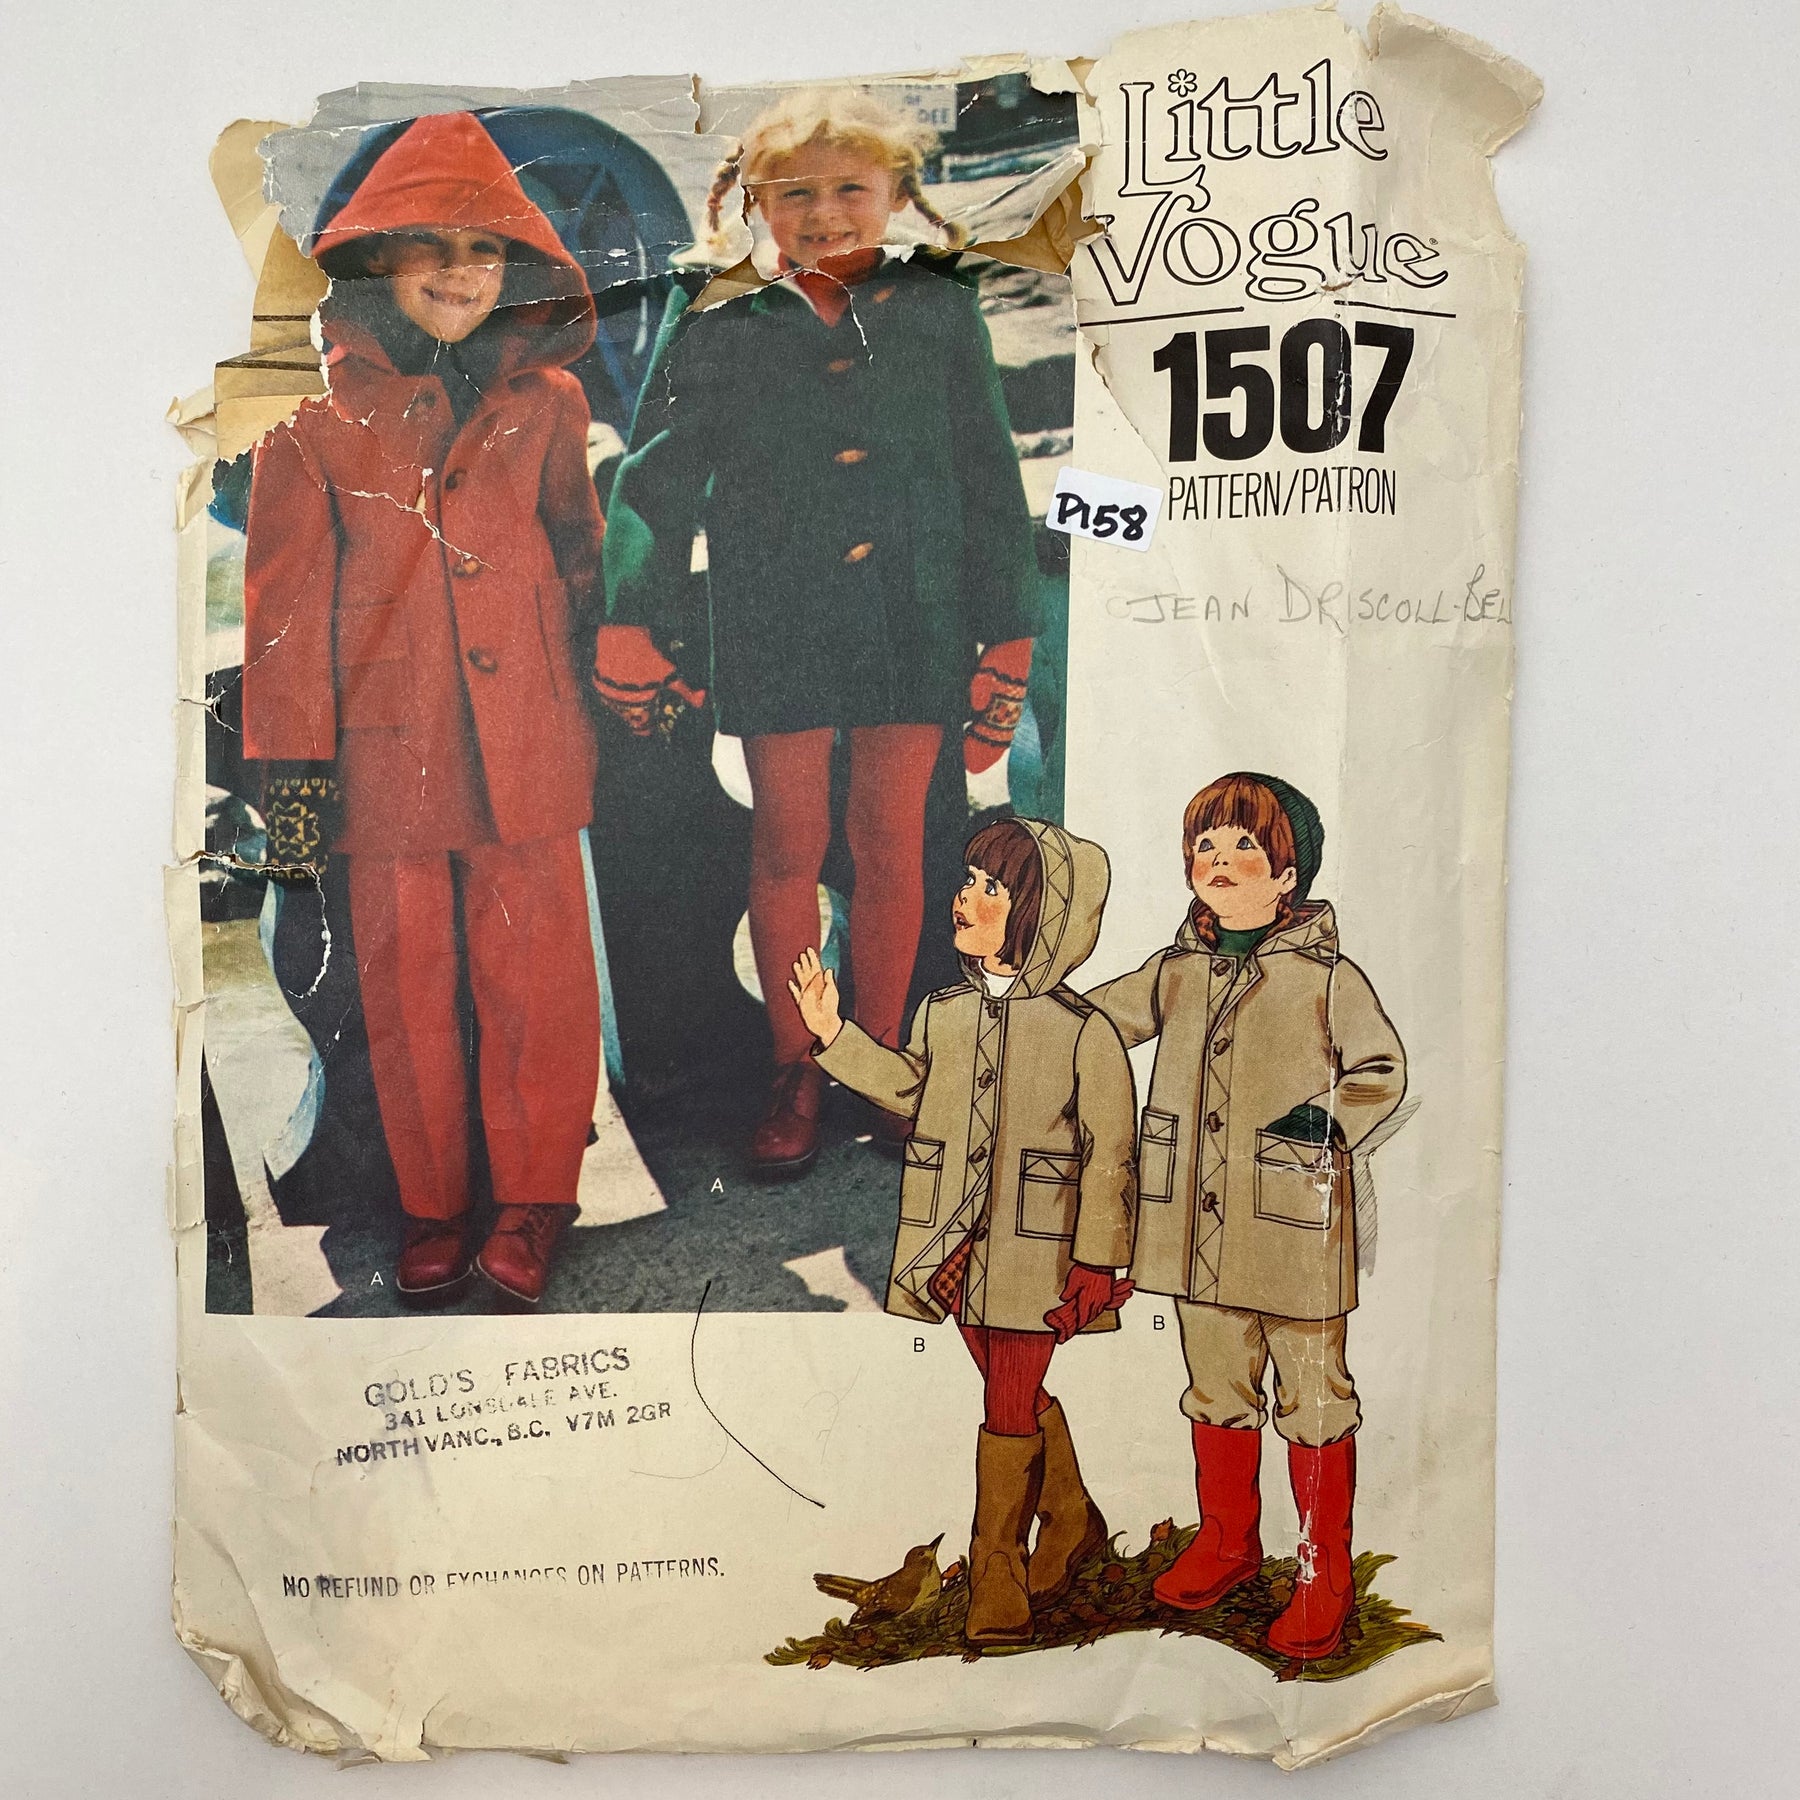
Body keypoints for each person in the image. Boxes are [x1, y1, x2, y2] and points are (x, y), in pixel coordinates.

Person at [600, 86, 1040, 1176]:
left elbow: (990, 478)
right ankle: (796, 1066)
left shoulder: (940, 305)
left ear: (897, 193)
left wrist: (1008, 634)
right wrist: (631, 616)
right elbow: (654, 478)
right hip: (773, 618)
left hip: (917, 620)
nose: (826, 213)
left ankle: (877, 1059)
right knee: (786, 848)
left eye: (851, 188)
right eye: (794, 193)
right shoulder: (716, 312)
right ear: (753, 201)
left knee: (895, 845)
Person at [241, 111, 608, 1310]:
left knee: (537, 979)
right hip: (385, 758)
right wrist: (293, 790)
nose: (461, 273)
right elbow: (282, 614)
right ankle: (436, 1204)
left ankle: (536, 1198)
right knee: (405, 992)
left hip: (530, 743)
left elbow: (579, 553)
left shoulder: (548, 400)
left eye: (486, 250)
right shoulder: (305, 417)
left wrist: (600, 696)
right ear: (375, 258)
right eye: (433, 247)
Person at [789, 819, 1137, 1646]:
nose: (966, 897)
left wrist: (1099, 1261)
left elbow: (1112, 1156)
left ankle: (997, 1572)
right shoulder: (943, 1012)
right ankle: (1072, 1521)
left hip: (1041, 1249)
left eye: (993, 887)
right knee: (1009, 1386)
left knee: (1007, 1398)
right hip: (953, 1238)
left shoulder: (1084, 1031)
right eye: (969, 878)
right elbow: (911, 1092)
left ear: (1040, 916)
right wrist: (835, 1035)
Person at [1085, 774, 1407, 1660]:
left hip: (1294, 1237)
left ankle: (1321, 1574)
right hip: (1192, 1234)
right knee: (1217, 1390)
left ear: (1288, 873)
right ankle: (1228, 1542)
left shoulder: (1327, 978)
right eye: (1205, 846)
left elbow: (1381, 1070)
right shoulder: (1176, 971)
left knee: (1314, 1400)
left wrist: (1321, 1126)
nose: (1219, 861)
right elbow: (1095, 1023)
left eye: (1244, 847)